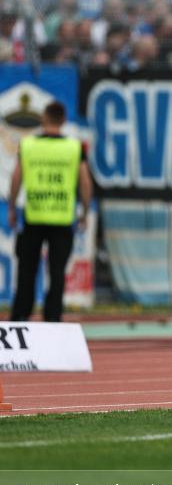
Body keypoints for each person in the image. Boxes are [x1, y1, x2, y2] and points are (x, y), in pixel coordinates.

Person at [8, 101, 92, 322]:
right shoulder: (74, 148)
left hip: (33, 217)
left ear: (44, 118)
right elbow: (85, 182)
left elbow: (17, 177)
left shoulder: (29, 145)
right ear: (63, 121)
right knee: (56, 274)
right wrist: (84, 211)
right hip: (62, 219)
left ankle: (19, 318)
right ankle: (53, 320)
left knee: (26, 272)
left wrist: (11, 207)